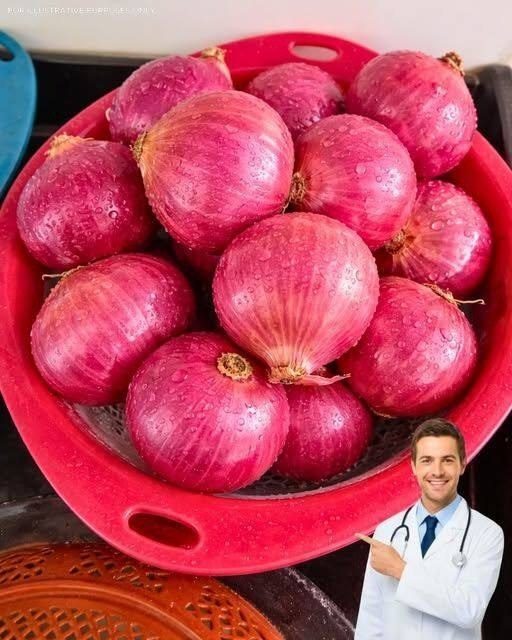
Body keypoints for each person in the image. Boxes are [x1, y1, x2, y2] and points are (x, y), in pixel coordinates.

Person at [354, 418, 504, 640]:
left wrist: (401, 570)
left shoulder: (487, 533)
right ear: (414, 467)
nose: (437, 471)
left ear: (463, 464)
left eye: (447, 460)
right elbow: (370, 622)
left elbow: (470, 611)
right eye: (427, 460)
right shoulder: (387, 531)